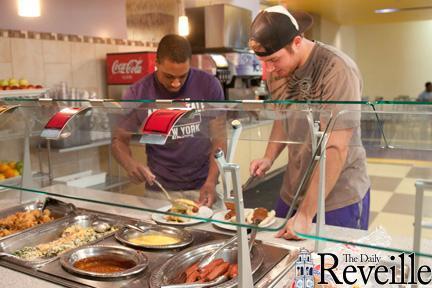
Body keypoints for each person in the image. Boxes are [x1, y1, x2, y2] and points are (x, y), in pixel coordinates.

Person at [248, 5, 370, 240]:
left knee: (330, 271)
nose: (269, 69)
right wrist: (269, 156)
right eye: (264, 62)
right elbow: (282, 118)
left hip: (336, 195)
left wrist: (305, 216)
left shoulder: (336, 69)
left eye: (273, 60)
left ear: (296, 42)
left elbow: (336, 148)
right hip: (292, 191)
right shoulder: (277, 70)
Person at [112, 34, 225, 208]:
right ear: (156, 63)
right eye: (169, 76)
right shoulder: (138, 92)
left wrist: (211, 181)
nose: (176, 84)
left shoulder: (209, 85)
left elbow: (219, 138)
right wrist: (130, 164)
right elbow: (119, 140)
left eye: (183, 76)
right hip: (159, 190)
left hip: (203, 185)